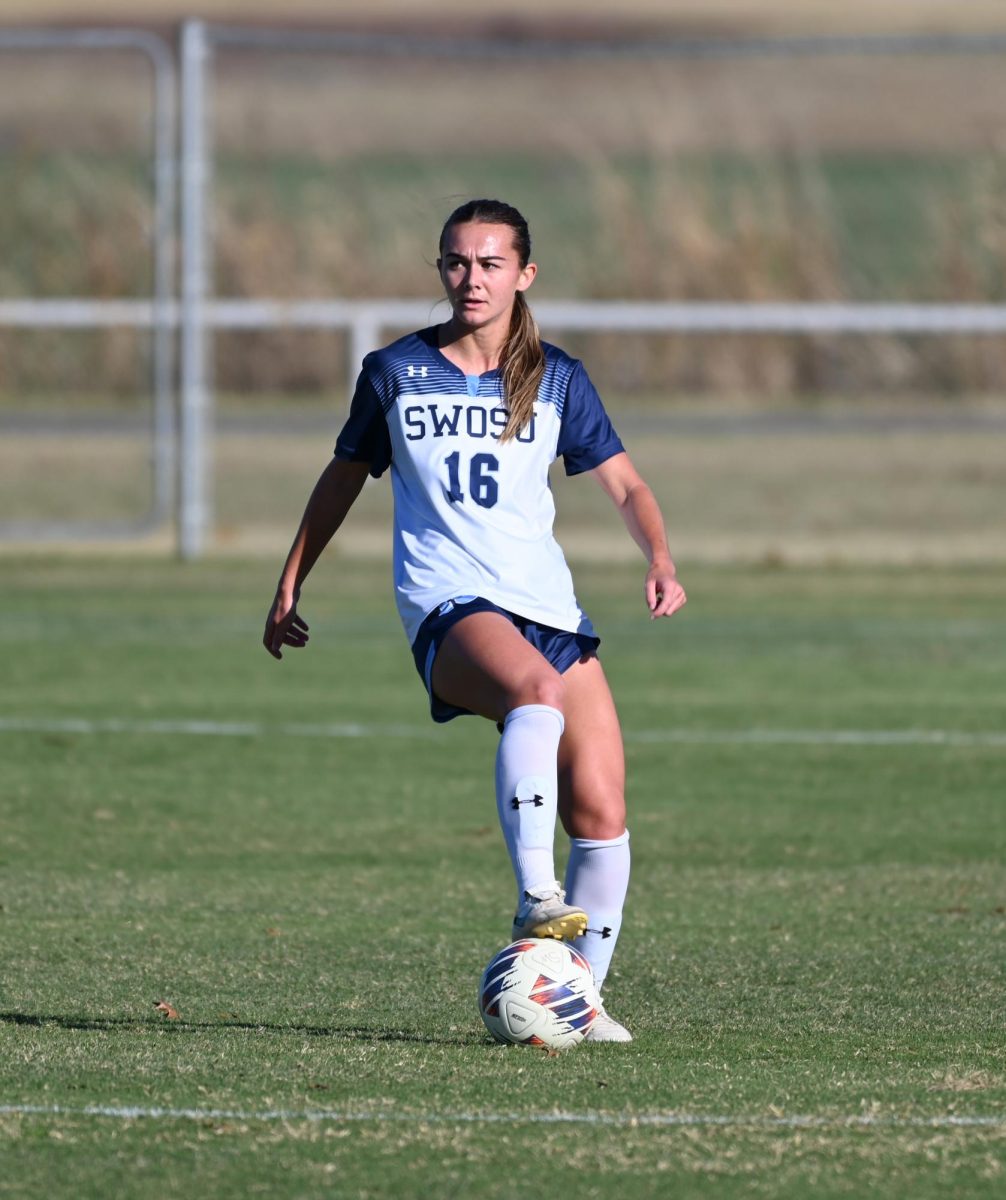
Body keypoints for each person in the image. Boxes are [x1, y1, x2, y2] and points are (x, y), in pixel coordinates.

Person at [263, 199, 686, 1042]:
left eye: (491, 264)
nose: (472, 279)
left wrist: (661, 558)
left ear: (524, 274)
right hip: (448, 603)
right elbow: (343, 477)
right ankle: (537, 893)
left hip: (549, 607)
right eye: (457, 262)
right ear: (440, 269)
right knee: (533, 690)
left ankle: (577, 1004)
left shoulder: (558, 377)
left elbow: (627, 487)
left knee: (602, 808)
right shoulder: (394, 370)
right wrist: (290, 581)